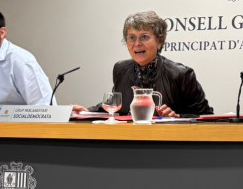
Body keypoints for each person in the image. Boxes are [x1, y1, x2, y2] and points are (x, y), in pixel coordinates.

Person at [73, 11, 213, 117]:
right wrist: (88, 111)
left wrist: (177, 117)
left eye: (144, 37)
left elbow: (206, 117)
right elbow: (115, 103)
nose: (137, 44)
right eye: (131, 38)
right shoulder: (121, 69)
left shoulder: (181, 74)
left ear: (159, 41)